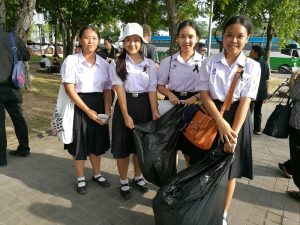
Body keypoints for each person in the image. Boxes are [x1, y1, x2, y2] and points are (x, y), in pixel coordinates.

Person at [195, 15, 261, 225]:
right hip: (212, 115)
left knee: (230, 170)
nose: (234, 40)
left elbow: (246, 101)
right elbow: (204, 94)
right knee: (205, 165)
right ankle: (202, 206)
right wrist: (220, 122)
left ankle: (222, 213)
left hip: (238, 120)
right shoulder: (209, 61)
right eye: (229, 35)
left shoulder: (252, 66)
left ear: (248, 37)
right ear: (222, 36)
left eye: (240, 36)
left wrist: (232, 132)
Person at [109, 22, 159, 200]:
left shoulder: (150, 64)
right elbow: (119, 89)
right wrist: (125, 114)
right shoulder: (117, 62)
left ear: (142, 42)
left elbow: (152, 88)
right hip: (126, 104)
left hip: (145, 105)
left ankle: (138, 177)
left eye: (136, 40)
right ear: (123, 42)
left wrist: (154, 111)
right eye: (128, 40)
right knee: (122, 147)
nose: (132, 44)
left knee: (140, 147)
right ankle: (123, 181)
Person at [61, 24, 112, 194]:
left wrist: (107, 111)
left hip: (98, 104)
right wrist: (87, 110)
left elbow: (107, 90)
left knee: (96, 143)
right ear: (80, 40)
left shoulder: (104, 64)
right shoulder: (71, 60)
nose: (90, 41)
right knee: (80, 144)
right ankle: (81, 178)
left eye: (94, 38)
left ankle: (97, 174)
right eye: (87, 37)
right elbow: (69, 89)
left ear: (99, 41)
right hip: (79, 105)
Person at [157, 20, 202, 166]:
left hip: (194, 107)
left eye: (190, 36)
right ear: (177, 38)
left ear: (197, 38)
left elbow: (207, 90)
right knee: (172, 146)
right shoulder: (168, 61)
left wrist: (195, 97)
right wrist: (170, 95)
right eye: (182, 36)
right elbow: (160, 85)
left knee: (190, 147)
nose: (186, 40)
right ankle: (172, 181)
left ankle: (188, 183)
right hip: (172, 104)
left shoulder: (204, 63)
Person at [0, 28, 31, 166]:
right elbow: (27, 57)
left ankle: (1, 158)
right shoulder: (14, 39)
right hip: (14, 86)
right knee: (19, 119)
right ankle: (24, 149)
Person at [283, 70, 300, 201]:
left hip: (298, 124)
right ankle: (287, 166)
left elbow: (294, 94)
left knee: (297, 156)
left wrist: (293, 77)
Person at [249, 45, 270, 135]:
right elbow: (267, 79)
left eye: (251, 50)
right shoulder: (265, 64)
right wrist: (266, 94)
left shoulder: (250, 63)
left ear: (255, 53)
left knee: (248, 110)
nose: (250, 52)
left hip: (251, 91)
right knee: (258, 111)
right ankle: (257, 129)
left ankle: (247, 128)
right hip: (261, 92)